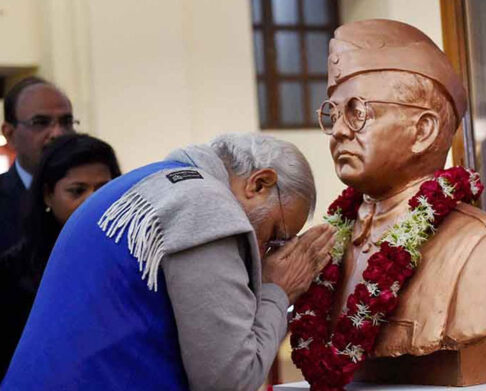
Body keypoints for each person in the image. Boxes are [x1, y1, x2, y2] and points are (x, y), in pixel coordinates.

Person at [2, 133, 334, 390]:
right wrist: (278, 290)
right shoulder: (204, 205)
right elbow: (231, 380)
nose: (268, 253)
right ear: (259, 183)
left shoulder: (152, 181)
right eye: (275, 235)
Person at [316, 19, 486, 385]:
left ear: (423, 130)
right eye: (333, 113)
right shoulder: (327, 247)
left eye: (357, 111)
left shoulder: (484, 249)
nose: (339, 129)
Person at [0, 133, 121, 378]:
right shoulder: (11, 273)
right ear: (48, 195)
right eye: (77, 191)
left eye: (104, 189)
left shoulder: (139, 262)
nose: (93, 201)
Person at [0, 77, 76, 254]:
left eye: (66, 122)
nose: (58, 133)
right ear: (10, 134)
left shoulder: (97, 197)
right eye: (40, 122)